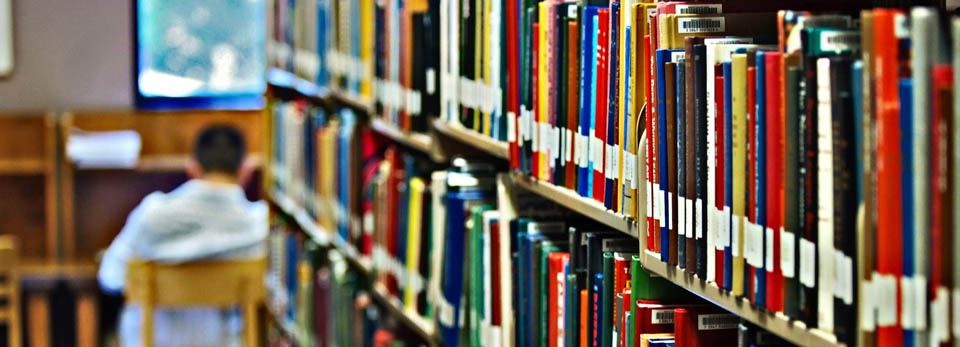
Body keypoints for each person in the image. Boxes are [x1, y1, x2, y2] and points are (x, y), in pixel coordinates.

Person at [97, 125, 267, 347]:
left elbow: (110, 278)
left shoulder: (152, 214)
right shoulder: (260, 224)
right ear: (245, 170)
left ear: (193, 168)